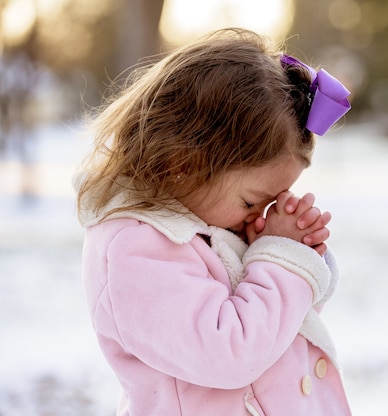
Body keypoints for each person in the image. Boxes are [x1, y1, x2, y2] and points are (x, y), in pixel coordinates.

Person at [74, 28, 352, 415]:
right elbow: (232, 353)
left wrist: (278, 253)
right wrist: (280, 261)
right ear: (185, 164)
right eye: (253, 201)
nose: (262, 214)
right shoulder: (133, 250)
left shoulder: (206, 223)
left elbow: (278, 335)